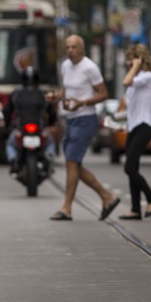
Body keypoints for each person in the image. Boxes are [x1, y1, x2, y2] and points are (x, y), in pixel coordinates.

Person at [47, 35, 121, 221]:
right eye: (68, 47)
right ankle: (107, 197)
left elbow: (103, 94)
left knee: (71, 162)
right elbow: (68, 90)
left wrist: (83, 103)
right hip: (70, 120)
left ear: (82, 49)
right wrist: (57, 96)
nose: (70, 50)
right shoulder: (65, 66)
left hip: (86, 119)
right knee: (74, 165)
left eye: (74, 47)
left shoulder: (90, 67)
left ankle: (66, 208)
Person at [116, 44, 151, 220]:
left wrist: (135, 66)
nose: (127, 64)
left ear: (139, 60)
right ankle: (135, 209)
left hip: (144, 126)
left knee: (129, 167)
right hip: (133, 126)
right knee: (132, 167)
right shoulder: (136, 80)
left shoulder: (147, 77)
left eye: (130, 60)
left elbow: (126, 81)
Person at [3, 66, 57, 173]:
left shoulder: (16, 95)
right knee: (50, 143)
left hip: (21, 129)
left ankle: (13, 160)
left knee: (10, 144)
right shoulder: (43, 95)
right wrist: (50, 124)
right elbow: (52, 112)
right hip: (39, 129)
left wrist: (7, 126)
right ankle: (49, 156)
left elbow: (7, 112)